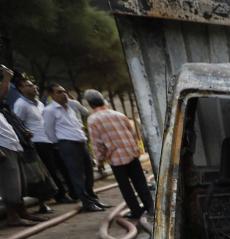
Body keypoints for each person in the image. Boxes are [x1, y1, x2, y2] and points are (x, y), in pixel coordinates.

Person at [84, 90, 153, 219]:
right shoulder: (119, 114)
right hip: (131, 154)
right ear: (103, 101)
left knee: (126, 187)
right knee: (141, 183)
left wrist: (100, 161)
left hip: (116, 159)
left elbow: (97, 143)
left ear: (90, 104)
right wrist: (136, 150)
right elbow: (132, 134)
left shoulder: (93, 120)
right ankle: (150, 207)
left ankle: (136, 211)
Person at [42, 83, 106, 212]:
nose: (63, 94)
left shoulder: (70, 106)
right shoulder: (49, 111)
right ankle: (86, 202)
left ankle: (93, 199)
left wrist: (72, 101)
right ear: (51, 95)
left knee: (88, 172)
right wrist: (59, 143)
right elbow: (48, 130)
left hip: (80, 141)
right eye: (59, 92)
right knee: (77, 175)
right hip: (67, 144)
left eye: (64, 91)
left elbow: (84, 114)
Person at [13, 77, 75, 203]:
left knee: (62, 167)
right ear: (21, 88)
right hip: (38, 142)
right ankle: (60, 196)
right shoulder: (20, 104)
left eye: (33, 85)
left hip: (51, 140)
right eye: (29, 85)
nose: (34, 87)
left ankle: (72, 192)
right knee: (51, 169)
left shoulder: (40, 104)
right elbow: (18, 124)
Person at [0, 65, 35, 226]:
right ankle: (12, 217)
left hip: (12, 144)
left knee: (19, 182)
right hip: (3, 146)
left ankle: (22, 213)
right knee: (10, 183)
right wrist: (7, 78)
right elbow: (2, 93)